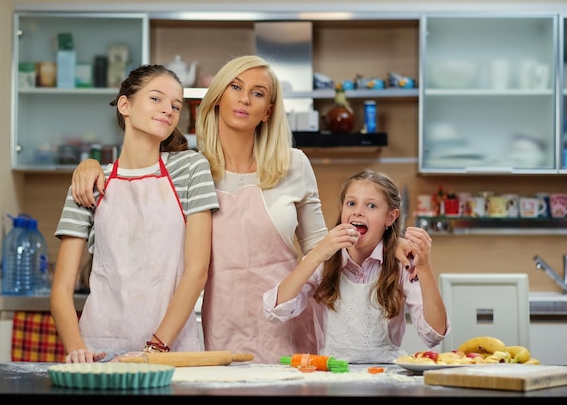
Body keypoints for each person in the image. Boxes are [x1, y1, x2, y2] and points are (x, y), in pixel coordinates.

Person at [69, 55, 415, 364]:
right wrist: (90, 164)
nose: (245, 98)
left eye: (258, 92)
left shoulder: (293, 164)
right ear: (218, 96)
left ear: (268, 111)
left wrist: (386, 243)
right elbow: (134, 166)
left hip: (287, 319)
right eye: (235, 86)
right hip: (220, 322)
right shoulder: (189, 167)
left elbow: (320, 247)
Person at [50, 64, 219, 363]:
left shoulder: (190, 169)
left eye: (176, 105)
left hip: (169, 351)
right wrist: (78, 350)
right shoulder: (89, 182)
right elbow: (62, 288)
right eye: (156, 99)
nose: (168, 109)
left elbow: (197, 271)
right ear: (125, 105)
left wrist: (154, 349)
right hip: (99, 347)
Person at [263, 169, 450, 364]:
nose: (358, 211)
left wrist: (425, 267)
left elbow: (434, 335)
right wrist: (316, 254)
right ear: (341, 209)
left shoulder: (402, 263)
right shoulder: (323, 260)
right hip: (332, 376)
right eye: (351, 203)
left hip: (387, 377)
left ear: (391, 217)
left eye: (371, 205)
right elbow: (274, 311)